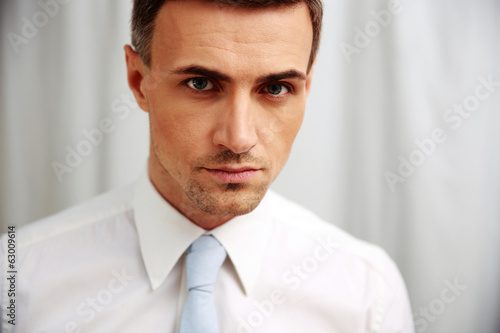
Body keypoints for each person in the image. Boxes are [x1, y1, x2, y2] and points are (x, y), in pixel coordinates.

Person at [0, 0, 414, 332]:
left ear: (307, 88)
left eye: (275, 88)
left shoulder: (368, 293)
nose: (237, 138)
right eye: (200, 83)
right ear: (138, 80)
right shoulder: (17, 280)